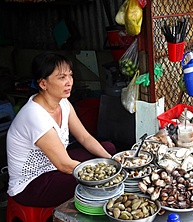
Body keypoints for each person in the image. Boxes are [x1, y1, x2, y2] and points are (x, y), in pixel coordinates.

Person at [6, 52, 116, 207]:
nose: (69, 82)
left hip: (54, 166)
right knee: (83, 182)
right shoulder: (34, 115)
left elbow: (85, 137)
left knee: (108, 148)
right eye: (62, 77)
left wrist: (112, 160)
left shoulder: (63, 103)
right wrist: (105, 174)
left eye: (70, 75)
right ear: (43, 84)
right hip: (31, 185)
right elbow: (64, 165)